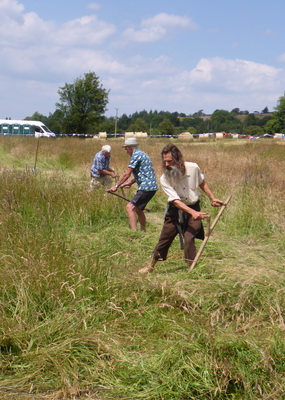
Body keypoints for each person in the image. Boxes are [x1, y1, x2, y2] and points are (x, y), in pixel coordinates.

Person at [139, 143, 224, 274]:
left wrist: (212, 198)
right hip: (176, 211)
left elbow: (202, 182)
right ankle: (151, 266)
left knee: (189, 238)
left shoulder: (193, 167)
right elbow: (175, 201)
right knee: (164, 239)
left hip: (193, 207)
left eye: (169, 161)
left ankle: (191, 268)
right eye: (164, 161)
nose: (166, 164)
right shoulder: (164, 178)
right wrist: (193, 213)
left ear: (178, 159)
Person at [109, 138, 158, 231]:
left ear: (130, 147)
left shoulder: (135, 155)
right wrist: (130, 183)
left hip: (146, 187)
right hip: (152, 187)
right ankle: (143, 230)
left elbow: (127, 174)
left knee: (129, 208)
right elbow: (144, 172)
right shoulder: (143, 154)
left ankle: (134, 232)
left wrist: (116, 186)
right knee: (138, 209)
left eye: (126, 148)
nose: (125, 151)